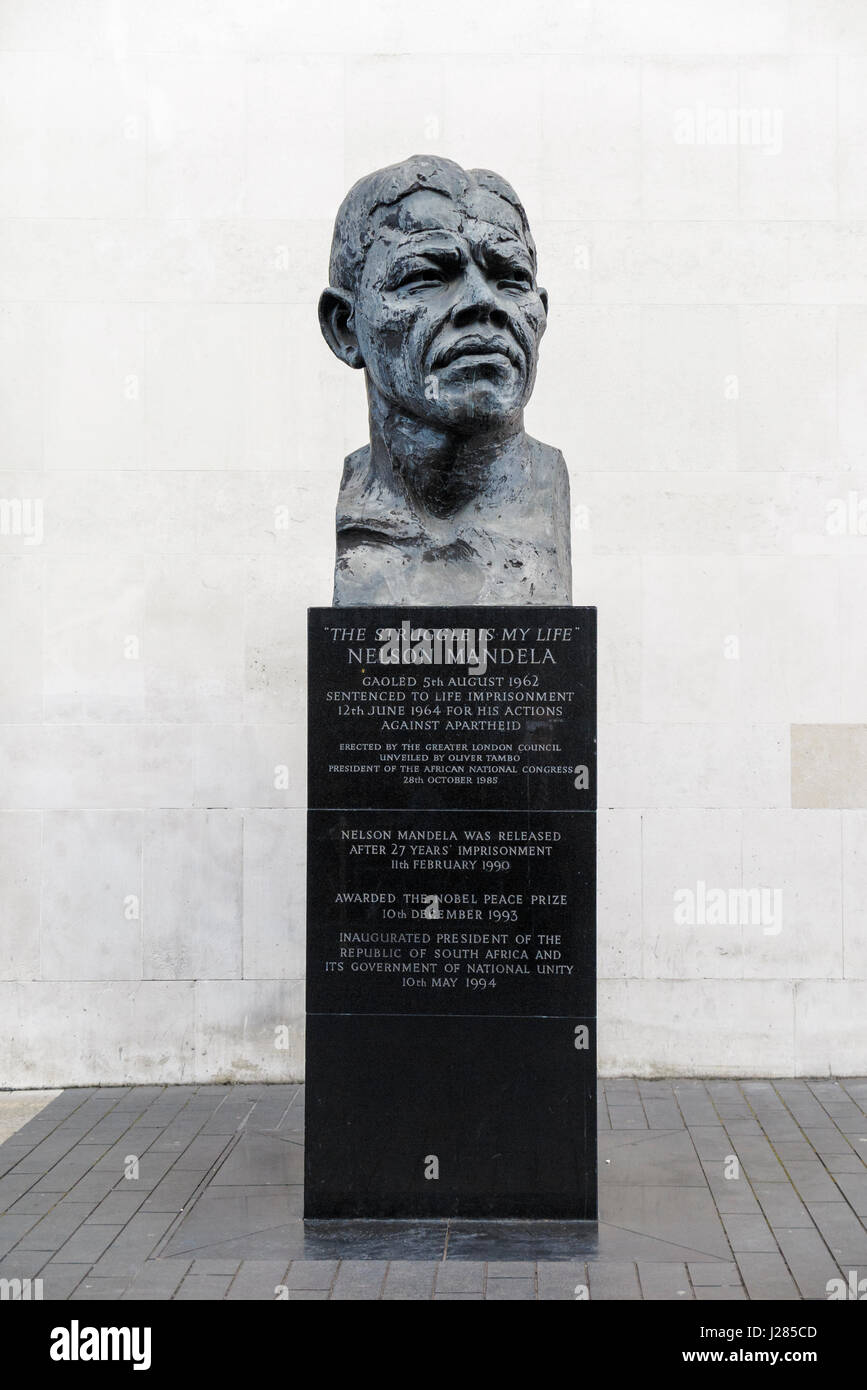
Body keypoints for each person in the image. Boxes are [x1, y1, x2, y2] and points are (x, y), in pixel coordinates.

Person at [320, 154, 572, 606]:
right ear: (345, 328)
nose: (482, 301)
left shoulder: (545, 493)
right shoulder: (360, 514)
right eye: (425, 277)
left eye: (511, 278)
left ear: (540, 316)